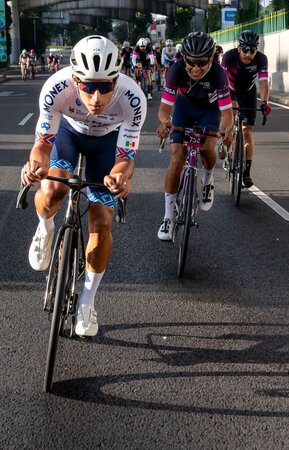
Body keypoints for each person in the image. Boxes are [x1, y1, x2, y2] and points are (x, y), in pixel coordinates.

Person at [21, 35, 147, 337]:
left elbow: (125, 157)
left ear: (117, 80)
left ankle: (87, 302)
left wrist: (120, 176)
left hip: (107, 144)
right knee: (53, 191)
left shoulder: (134, 98)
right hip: (69, 133)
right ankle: (45, 226)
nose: (96, 97)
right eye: (88, 86)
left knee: (102, 221)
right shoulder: (56, 87)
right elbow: (42, 144)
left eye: (105, 86)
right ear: (75, 80)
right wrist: (35, 165)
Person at [156, 32, 233, 241]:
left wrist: (225, 130)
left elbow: (227, 114)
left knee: (208, 147)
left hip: (209, 111)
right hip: (184, 109)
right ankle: (168, 216)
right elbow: (164, 110)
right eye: (191, 62)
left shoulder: (218, 74)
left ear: (211, 59)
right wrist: (164, 123)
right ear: (184, 58)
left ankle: (207, 179)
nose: (196, 68)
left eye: (202, 63)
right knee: (176, 159)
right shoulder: (176, 70)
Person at [221, 30, 271, 186]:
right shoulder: (229, 56)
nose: (248, 54)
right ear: (238, 47)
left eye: (252, 50)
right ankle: (225, 142)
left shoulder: (261, 59)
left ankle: (247, 173)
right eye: (245, 50)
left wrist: (264, 102)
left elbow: (263, 83)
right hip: (230, 90)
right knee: (232, 116)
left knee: (247, 131)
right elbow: (221, 80)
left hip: (249, 93)